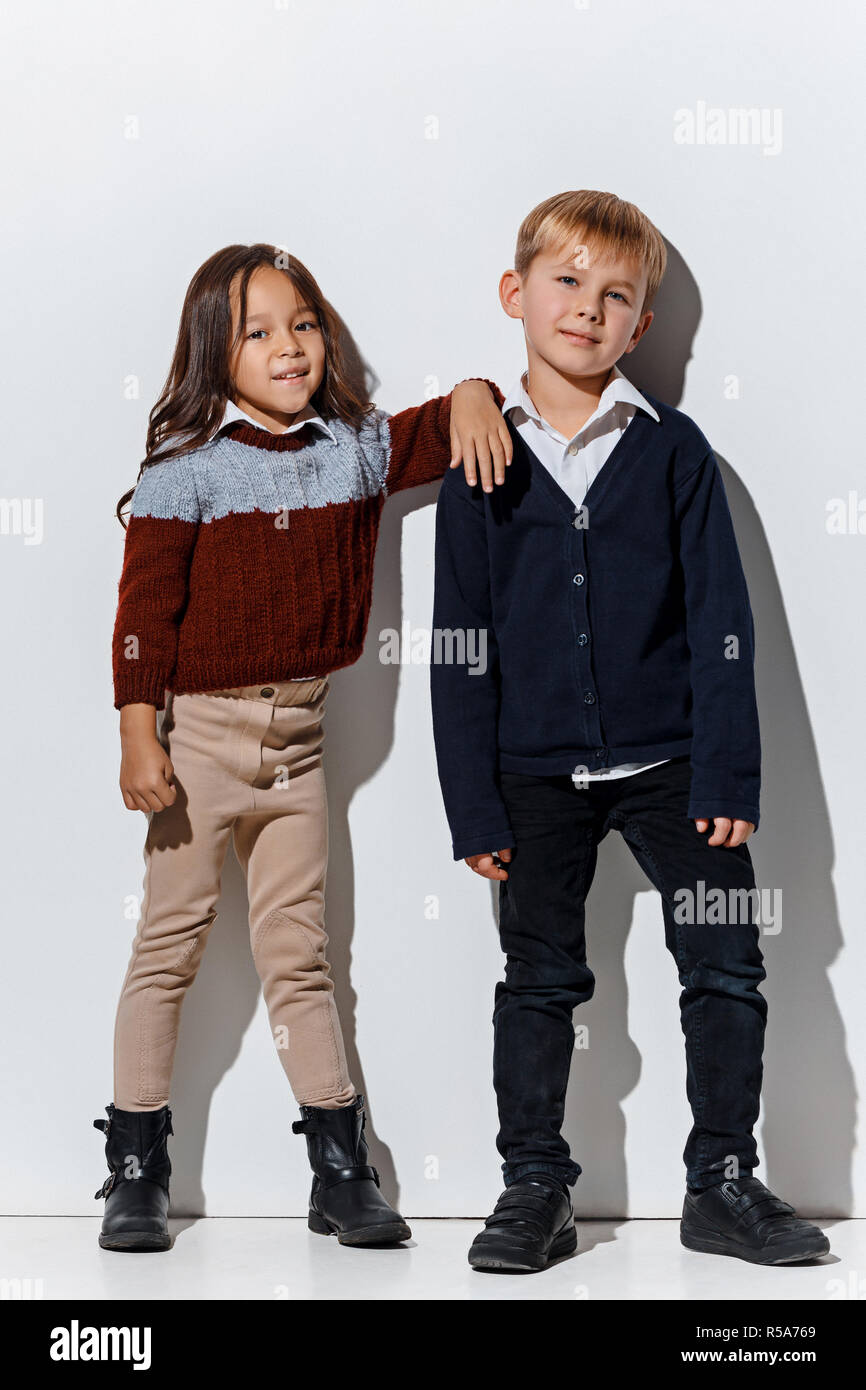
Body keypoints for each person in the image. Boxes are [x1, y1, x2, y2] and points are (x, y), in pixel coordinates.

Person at [429, 189, 830, 1272]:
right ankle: (533, 1187)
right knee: (538, 981)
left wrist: (727, 773)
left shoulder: (673, 452)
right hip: (530, 776)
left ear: (639, 326)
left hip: (674, 768)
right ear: (514, 294)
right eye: (565, 283)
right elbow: (457, 639)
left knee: (725, 966)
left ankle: (721, 1181)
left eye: (615, 296)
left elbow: (722, 624)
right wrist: (472, 798)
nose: (587, 309)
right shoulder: (480, 456)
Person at [94, 242, 512, 1252]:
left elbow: (430, 434)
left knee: (301, 955)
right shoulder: (185, 471)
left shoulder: (352, 449)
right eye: (258, 331)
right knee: (168, 944)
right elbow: (144, 611)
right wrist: (137, 732)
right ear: (213, 353)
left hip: (300, 746)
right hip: (198, 741)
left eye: (303, 323)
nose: (289, 346)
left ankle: (339, 1167)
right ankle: (134, 1167)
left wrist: (474, 387)